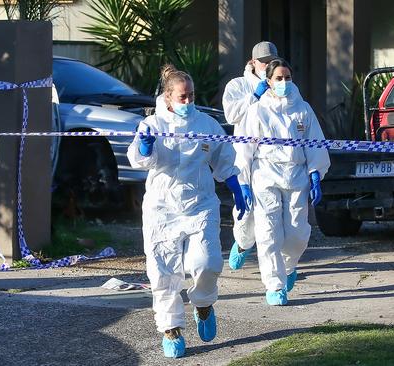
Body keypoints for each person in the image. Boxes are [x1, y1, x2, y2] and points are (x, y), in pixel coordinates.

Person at [127, 64, 247, 358]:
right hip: (162, 208)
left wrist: (236, 184)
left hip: (200, 204)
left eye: (192, 95)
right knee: (163, 273)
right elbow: (139, 160)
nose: (188, 101)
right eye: (183, 97)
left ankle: (203, 304)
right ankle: (171, 328)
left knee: (206, 262)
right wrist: (144, 147)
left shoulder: (206, 125)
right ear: (168, 97)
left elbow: (224, 157)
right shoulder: (152, 124)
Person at [239, 58, 330, 306]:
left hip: (296, 175)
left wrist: (315, 173)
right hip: (265, 175)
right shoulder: (257, 110)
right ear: (268, 81)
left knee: (297, 234)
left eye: (287, 78)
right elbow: (244, 147)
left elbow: (315, 143)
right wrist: (243, 182)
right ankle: (274, 285)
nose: (284, 82)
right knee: (268, 233)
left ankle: (289, 267)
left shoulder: (303, 109)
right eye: (278, 78)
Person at [222, 41, 278, 271]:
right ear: (253, 62)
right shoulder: (238, 85)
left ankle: (280, 265)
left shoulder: (281, 83)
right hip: (245, 156)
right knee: (246, 212)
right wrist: (254, 96)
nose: (267, 66)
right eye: (263, 62)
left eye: (271, 61)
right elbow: (231, 115)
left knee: (274, 214)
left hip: (274, 160)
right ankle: (244, 244)